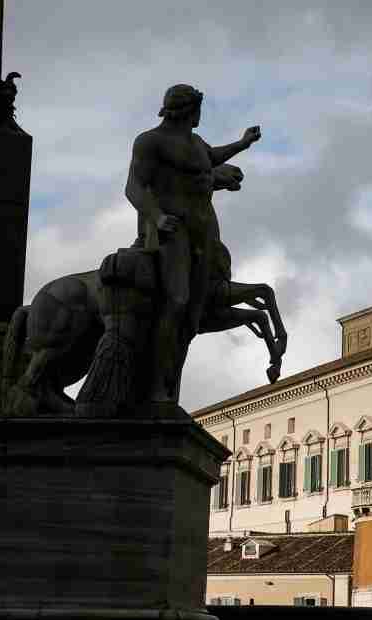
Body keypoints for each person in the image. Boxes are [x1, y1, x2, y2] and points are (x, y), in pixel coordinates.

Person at [125, 83, 261, 404]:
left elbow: (212, 157)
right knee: (178, 301)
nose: (201, 115)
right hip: (172, 234)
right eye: (199, 109)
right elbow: (133, 187)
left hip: (202, 237)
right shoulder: (150, 141)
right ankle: (156, 385)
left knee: (195, 314)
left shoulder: (196, 142)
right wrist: (157, 218)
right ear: (188, 110)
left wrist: (242, 143)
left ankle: (170, 384)